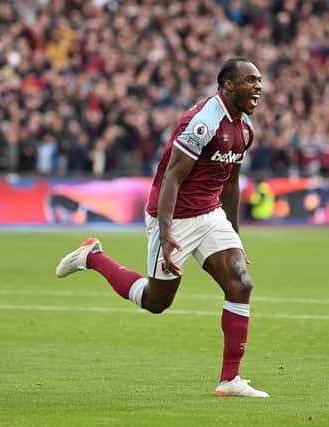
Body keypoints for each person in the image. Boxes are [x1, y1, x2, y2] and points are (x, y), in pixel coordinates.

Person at [56, 57, 269, 397]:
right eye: (251, 80)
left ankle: (230, 380)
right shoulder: (203, 122)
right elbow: (172, 175)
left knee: (241, 284)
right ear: (229, 85)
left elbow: (230, 183)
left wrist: (235, 236)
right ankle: (93, 257)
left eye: (259, 80)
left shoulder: (244, 128)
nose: (258, 86)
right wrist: (167, 231)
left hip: (210, 213)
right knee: (157, 302)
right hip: (173, 216)